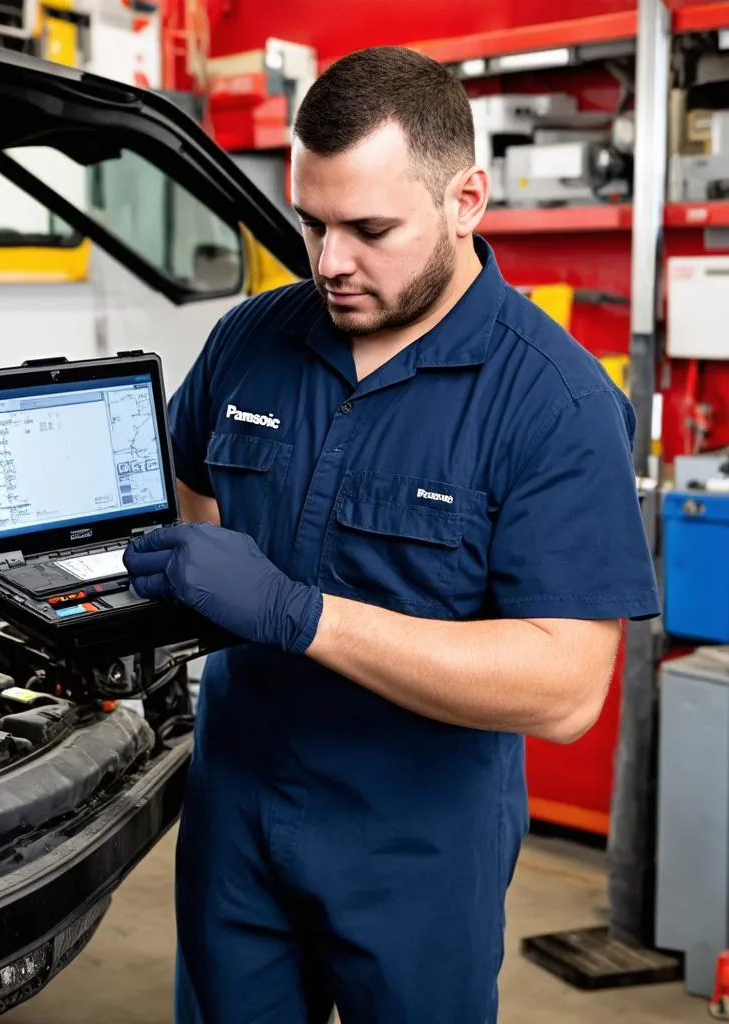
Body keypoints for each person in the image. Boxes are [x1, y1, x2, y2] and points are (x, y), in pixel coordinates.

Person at [123, 45, 659, 1024]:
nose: (328, 261)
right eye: (310, 222)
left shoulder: (553, 401)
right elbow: (188, 486)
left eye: (369, 229)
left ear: (465, 201)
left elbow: (565, 686)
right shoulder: (251, 340)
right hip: (238, 799)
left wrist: (294, 612)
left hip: (417, 834)